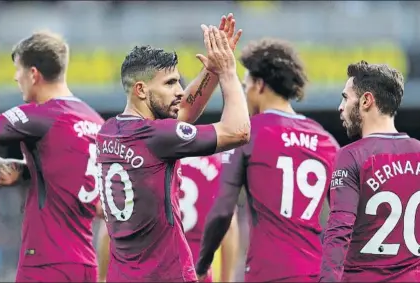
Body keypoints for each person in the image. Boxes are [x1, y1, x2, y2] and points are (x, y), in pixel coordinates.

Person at [95, 14, 250, 283]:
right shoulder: (159, 136)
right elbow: (239, 131)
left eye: (179, 82)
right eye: (170, 84)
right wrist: (226, 71)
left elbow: (185, 109)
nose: (179, 91)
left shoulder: (108, 131)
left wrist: (210, 70)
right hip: (167, 274)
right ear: (141, 90)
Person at [196, 38, 340, 282]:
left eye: (246, 85)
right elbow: (344, 219)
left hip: (268, 273)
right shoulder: (327, 141)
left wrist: (202, 264)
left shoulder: (247, 133)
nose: (245, 93)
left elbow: (222, 210)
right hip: (316, 273)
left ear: (259, 85)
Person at [0, 31, 104, 282]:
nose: (15, 77)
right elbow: (89, 193)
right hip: (86, 262)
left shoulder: (39, 115)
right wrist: (26, 171)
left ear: (33, 74)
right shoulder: (96, 121)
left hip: (46, 262)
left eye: (18, 70)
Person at [319, 61, 420, 282]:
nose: (340, 107)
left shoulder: (351, 155)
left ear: (366, 100)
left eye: (345, 98)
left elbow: (338, 232)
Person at [180, 154, 239, 282]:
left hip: (160, 268)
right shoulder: (218, 165)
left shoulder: (158, 157)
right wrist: (226, 279)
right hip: (198, 271)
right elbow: (229, 226)